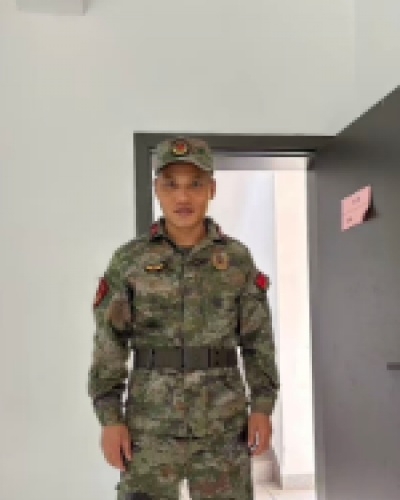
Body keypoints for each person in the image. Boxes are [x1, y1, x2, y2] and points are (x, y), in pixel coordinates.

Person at [88, 136, 280, 500]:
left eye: (195, 184)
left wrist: (262, 407)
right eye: (171, 184)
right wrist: (110, 419)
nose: (183, 197)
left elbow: (258, 340)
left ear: (212, 189)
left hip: (223, 426)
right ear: (157, 190)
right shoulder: (130, 260)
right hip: (150, 427)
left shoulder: (236, 259)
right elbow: (109, 343)